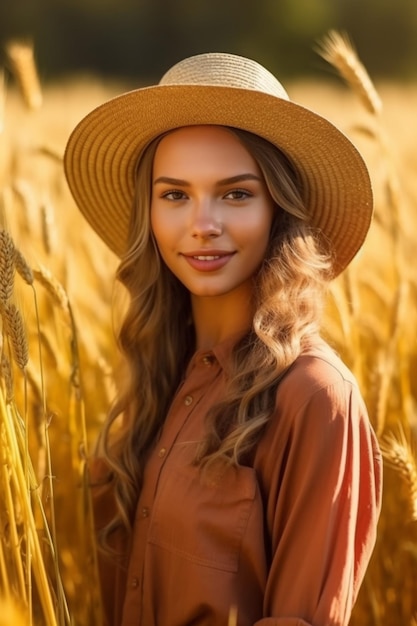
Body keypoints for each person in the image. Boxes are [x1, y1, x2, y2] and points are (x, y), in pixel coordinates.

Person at [64, 52, 382, 626]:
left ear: (278, 212)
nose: (202, 223)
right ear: (150, 212)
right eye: (174, 194)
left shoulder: (313, 397)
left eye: (236, 194)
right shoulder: (161, 374)